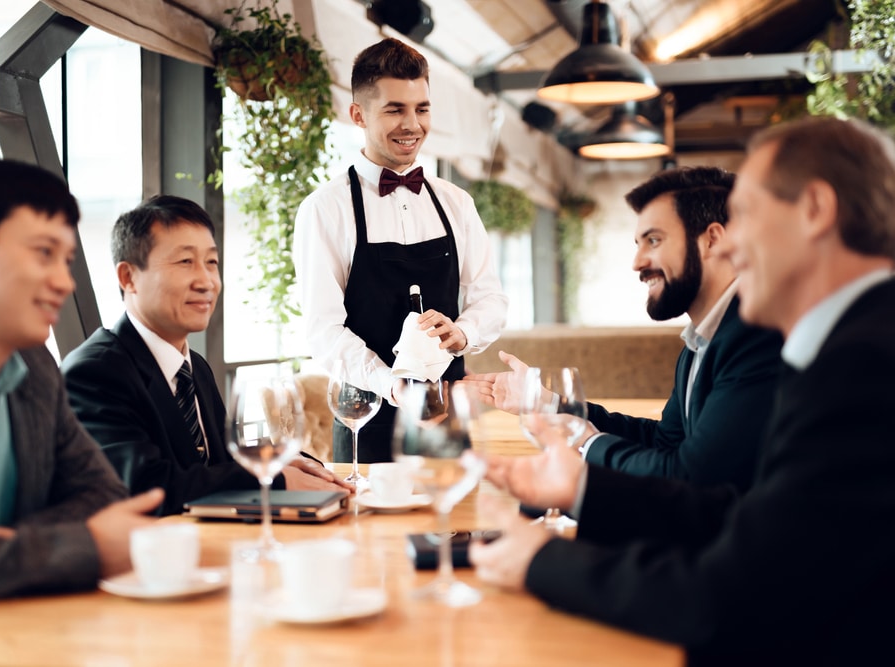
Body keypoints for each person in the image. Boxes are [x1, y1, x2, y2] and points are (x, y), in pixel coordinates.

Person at [469, 116, 895, 665]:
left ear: (814, 209)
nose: (731, 246)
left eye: (744, 216)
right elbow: (747, 515)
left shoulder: (863, 365)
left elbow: (727, 596)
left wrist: (542, 561)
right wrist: (582, 490)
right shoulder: (844, 344)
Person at [0, 158, 163, 609]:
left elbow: (102, 495)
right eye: (43, 253)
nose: (64, 281)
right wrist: (80, 548)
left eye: (67, 260)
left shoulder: (35, 369)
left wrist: (12, 543)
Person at [468, 167, 782, 490]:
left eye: (654, 240)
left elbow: (691, 476)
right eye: (638, 243)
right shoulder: (700, 341)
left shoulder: (756, 335)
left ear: (712, 240)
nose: (637, 261)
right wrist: (546, 404)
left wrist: (588, 443)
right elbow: (664, 443)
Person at [62, 195, 350, 517]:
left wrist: (275, 462)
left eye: (211, 262)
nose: (206, 281)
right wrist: (270, 480)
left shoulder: (194, 366)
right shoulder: (95, 372)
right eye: (185, 262)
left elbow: (216, 465)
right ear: (129, 278)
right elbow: (143, 487)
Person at [293, 37, 508, 463]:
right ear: (358, 114)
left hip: (446, 419)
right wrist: (391, 384)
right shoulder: (325, 209)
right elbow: (322, 330)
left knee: (453, 526)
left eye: (421, 109)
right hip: (364, 422)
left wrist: (462, 333)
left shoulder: (456, 203)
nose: (412, 124)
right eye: (395, 109)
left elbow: (491, 300)